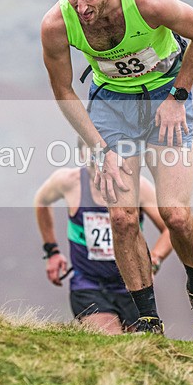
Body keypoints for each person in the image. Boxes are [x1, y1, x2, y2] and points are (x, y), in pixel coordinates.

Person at [40, 0, 193, 342]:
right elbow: (62, 89)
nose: (81, 6)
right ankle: (147, 321)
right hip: (111, 105)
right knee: (122, 218)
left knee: (174, 214)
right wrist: (98, 148)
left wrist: (179, 98)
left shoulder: (146, 1)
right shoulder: (57, 23)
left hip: (165, 96)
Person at [34, 138, 173, 334]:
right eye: (92, 151)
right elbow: (41, 201)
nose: (99, 160)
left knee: (147, 348)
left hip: (132, 286)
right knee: (112, 343)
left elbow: (170, 229)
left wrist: (155, 261)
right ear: (82, 154)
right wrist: (52, 251)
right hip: (88, 284)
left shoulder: (139, 187)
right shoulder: (69, 182)